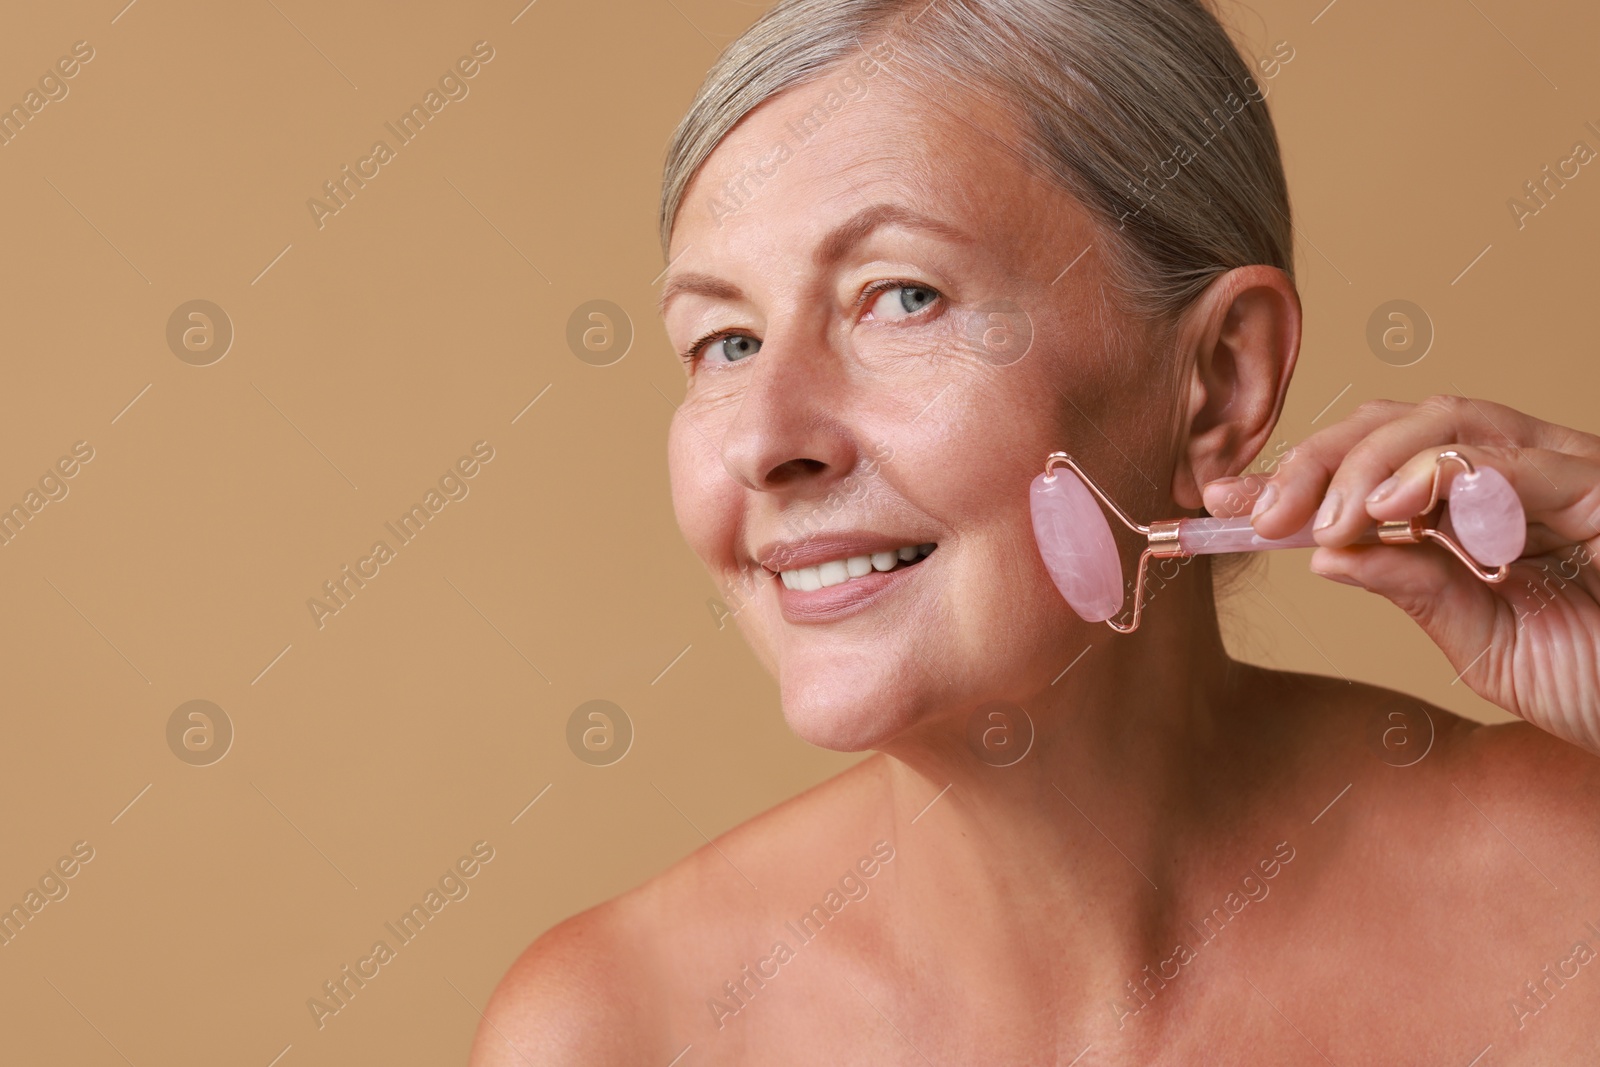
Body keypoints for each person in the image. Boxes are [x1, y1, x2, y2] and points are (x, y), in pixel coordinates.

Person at [470, 1, 1600, 1062]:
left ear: (1215, 378)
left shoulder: (1572, 889)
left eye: (900, 295)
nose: (765, 440)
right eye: (724, 340)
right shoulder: (613, 1031)